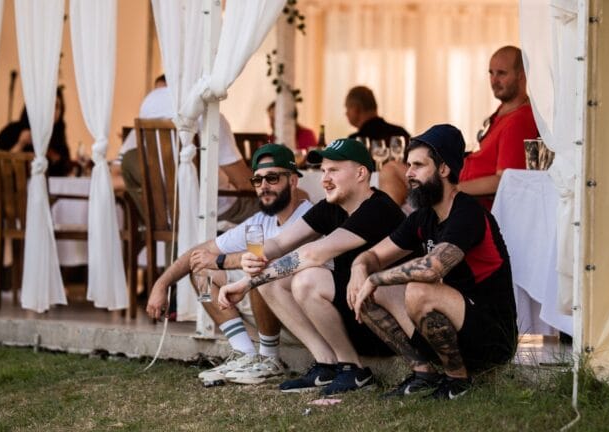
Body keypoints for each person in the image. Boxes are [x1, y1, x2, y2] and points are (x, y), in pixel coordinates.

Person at [218, 138, 405, 395]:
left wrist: (246, 283)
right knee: (272, 278)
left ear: (361, 173)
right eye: (324, 171)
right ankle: (327, 364)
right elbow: (281, 241)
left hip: (390, 327)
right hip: (355, 314)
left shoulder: (378, 209)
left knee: (308, 279)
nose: (324, 179)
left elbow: (313, 254)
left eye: (334, 171)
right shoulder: (331, 207)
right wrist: (252, 258)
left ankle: (353, 370)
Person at [347, 124, 518, 400]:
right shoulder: (423, 216)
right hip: (452, 325)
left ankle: (458, 382)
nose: (409, 174)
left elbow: (432, 268)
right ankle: (424, 373)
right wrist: (359, 270)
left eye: (418, 165)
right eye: (408, 165)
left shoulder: (468, 213)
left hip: (492, 338)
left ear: (443, 169)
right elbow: (373, 255)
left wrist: (375, 277)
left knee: (417, 289)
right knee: (365, 292)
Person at [146, 144, 312, 385]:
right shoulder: (261, 219)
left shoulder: (310, 215)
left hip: (302, 312)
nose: (264, 186)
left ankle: (270, 359)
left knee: (259, 270)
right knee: (201, 271)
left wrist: (222, 261)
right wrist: (161, 284)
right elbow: (199, 251)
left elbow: (267, 259)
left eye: (272, 178)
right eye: (257, 180)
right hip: (267, 305)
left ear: (293, 181)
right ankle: (244, 351)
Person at [118, 75, 259, 225]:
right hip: (217, 212)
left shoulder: (149, 106)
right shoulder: (209, 114)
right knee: (276, 211)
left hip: (167, 218)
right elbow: (243, 182)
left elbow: (122, 168)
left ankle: (165, 229)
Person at [458, 45, 539, 210]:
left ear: (521, 76)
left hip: (474, 206)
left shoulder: (520, 119)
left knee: (395, 173)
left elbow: (506, 181)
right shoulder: (503, 112)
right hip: (460, 194)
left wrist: (452, 190)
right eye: (491, 73)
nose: (494, 81)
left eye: (501, 73)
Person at [344, 86, 411, 207]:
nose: (346, 113)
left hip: (375, 201)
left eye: (347, 109)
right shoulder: (401, 133)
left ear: (356, 109)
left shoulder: (356, 141)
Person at [0, 87, 73, 177]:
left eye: (57, 106)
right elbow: (0, 163)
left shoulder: (57, 136)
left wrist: (53, 157)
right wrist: (20, 144)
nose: (53, 111)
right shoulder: (15, 130)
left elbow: (66, 169)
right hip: (17, 188)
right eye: (49, 105)